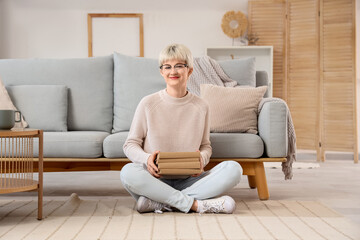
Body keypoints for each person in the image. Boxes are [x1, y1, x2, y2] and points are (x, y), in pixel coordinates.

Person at [120, 43, 242, 214]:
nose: (173, 72)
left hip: (190, 179)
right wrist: (147, 159)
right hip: (155, 181)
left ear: (190, 70)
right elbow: (130, 144)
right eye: (167, 67)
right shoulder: (148, 103)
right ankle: (196, 205)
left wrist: (202, 159)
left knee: (234, 169)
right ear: (161, 72)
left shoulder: (202, 106)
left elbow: (206, 146)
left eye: (179, 66)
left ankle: (160, 203)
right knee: (127, 172)